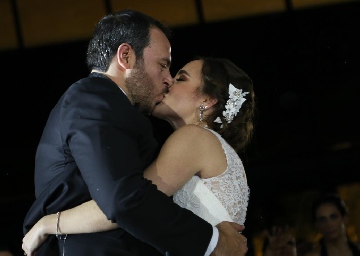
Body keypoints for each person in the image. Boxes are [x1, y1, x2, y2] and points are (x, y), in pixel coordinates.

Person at [22, 55, 255, 255]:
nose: (168, 82)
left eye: (181, 78)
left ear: (207, 100)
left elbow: (130, 203)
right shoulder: (211, 145)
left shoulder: (194, 139)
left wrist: (48, 223)